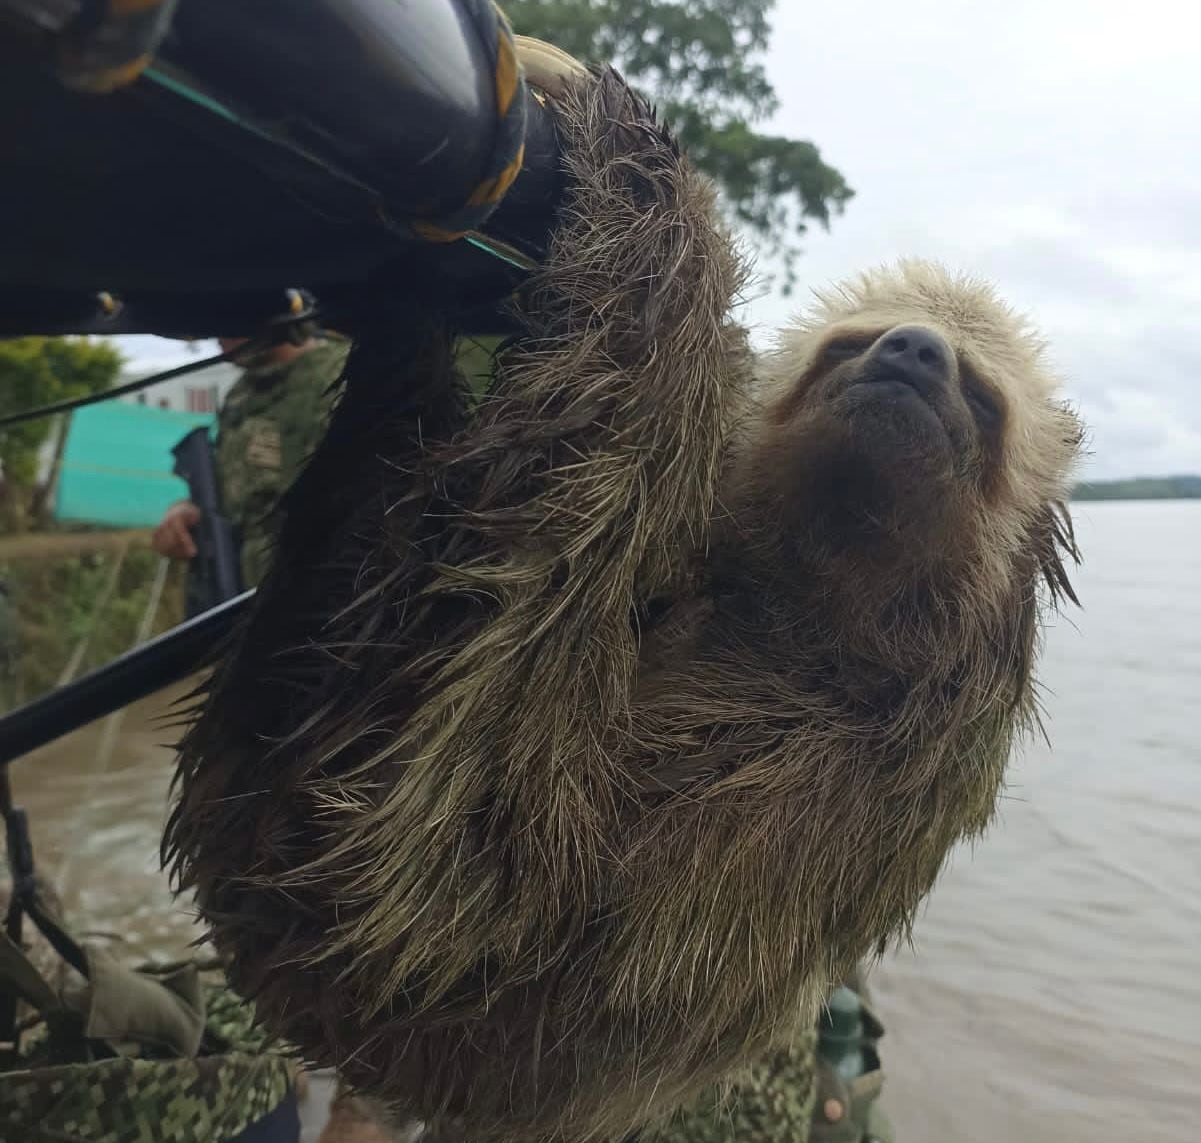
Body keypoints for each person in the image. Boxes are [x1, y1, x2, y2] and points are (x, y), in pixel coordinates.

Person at [152, 332, 349, 592]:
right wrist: (188, 512)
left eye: (227, 318)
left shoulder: (338, 379)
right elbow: (237, 500)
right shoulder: (240, 396)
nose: (217, 337)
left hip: (318, 599)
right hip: (244, 598)